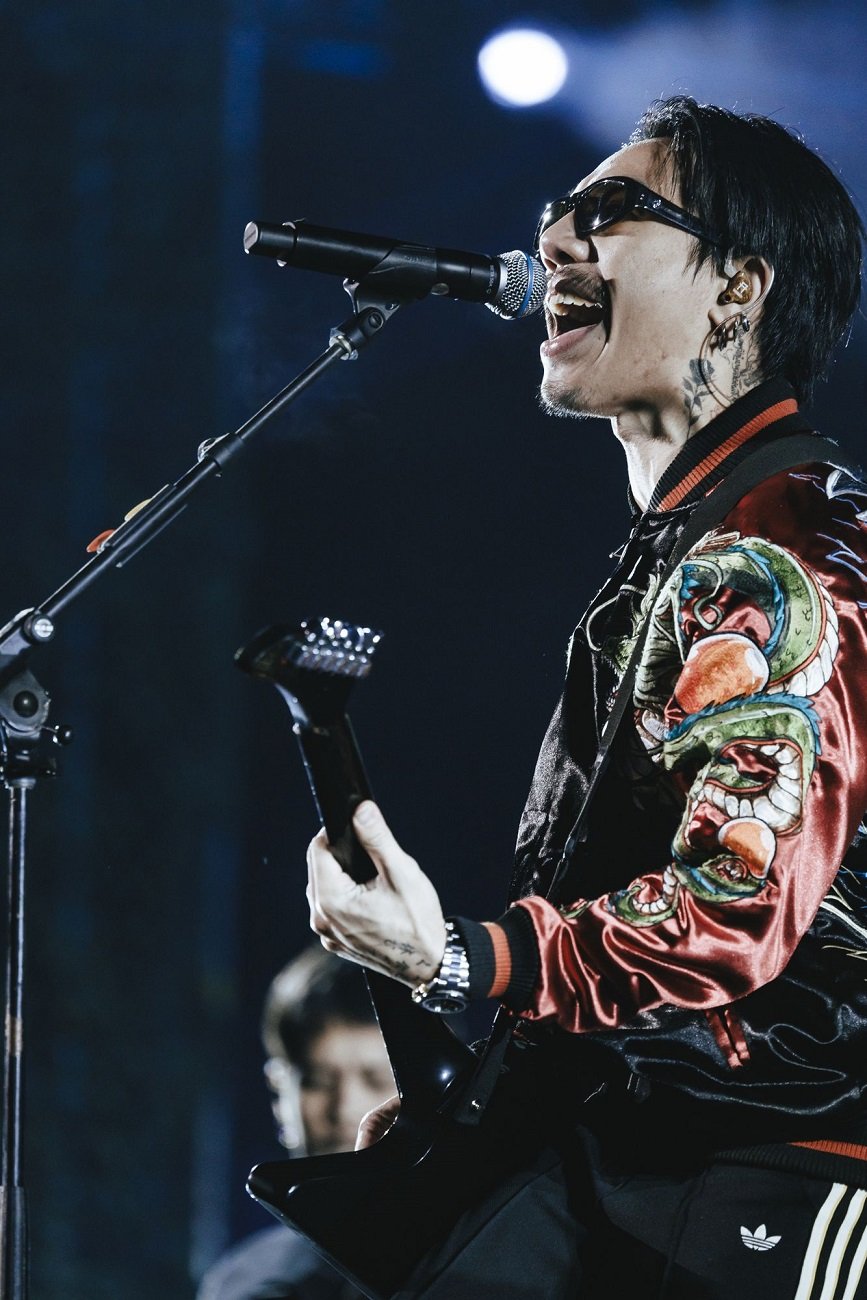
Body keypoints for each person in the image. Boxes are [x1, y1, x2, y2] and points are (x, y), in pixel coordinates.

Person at [307, 96, 867, 1297]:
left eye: (611, 212)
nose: (554, 240)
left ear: (738, 287)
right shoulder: (699, 540)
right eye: (557, 212)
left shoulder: (782, 555)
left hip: (773, 1178)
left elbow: (733, 905)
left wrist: (463, 958)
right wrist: (493, 1093)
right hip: (656, 1163)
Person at [197, 946, 394, 1299]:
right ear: (278, 1093)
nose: (345, 1108)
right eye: (317, 1081)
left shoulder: (489, 1266)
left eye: (377, 1079)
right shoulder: (239, 1282)